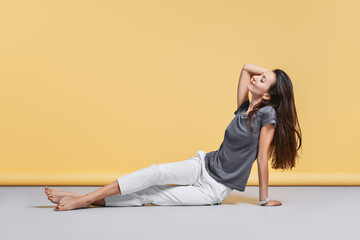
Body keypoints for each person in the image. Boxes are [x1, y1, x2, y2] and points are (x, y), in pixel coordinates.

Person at [45, 63, 302, 211]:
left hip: (214, 188)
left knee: (151, 196)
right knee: (156, 172)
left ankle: (81, 200)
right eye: (261, 75)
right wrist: (270, 78)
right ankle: (83, 198)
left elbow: (261, 158)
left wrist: (264, 199)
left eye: (263, 79)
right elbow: (246, 67)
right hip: (203, 164)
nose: (256, 77)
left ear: (268, 95)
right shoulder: (245, 108)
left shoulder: (267, 115)